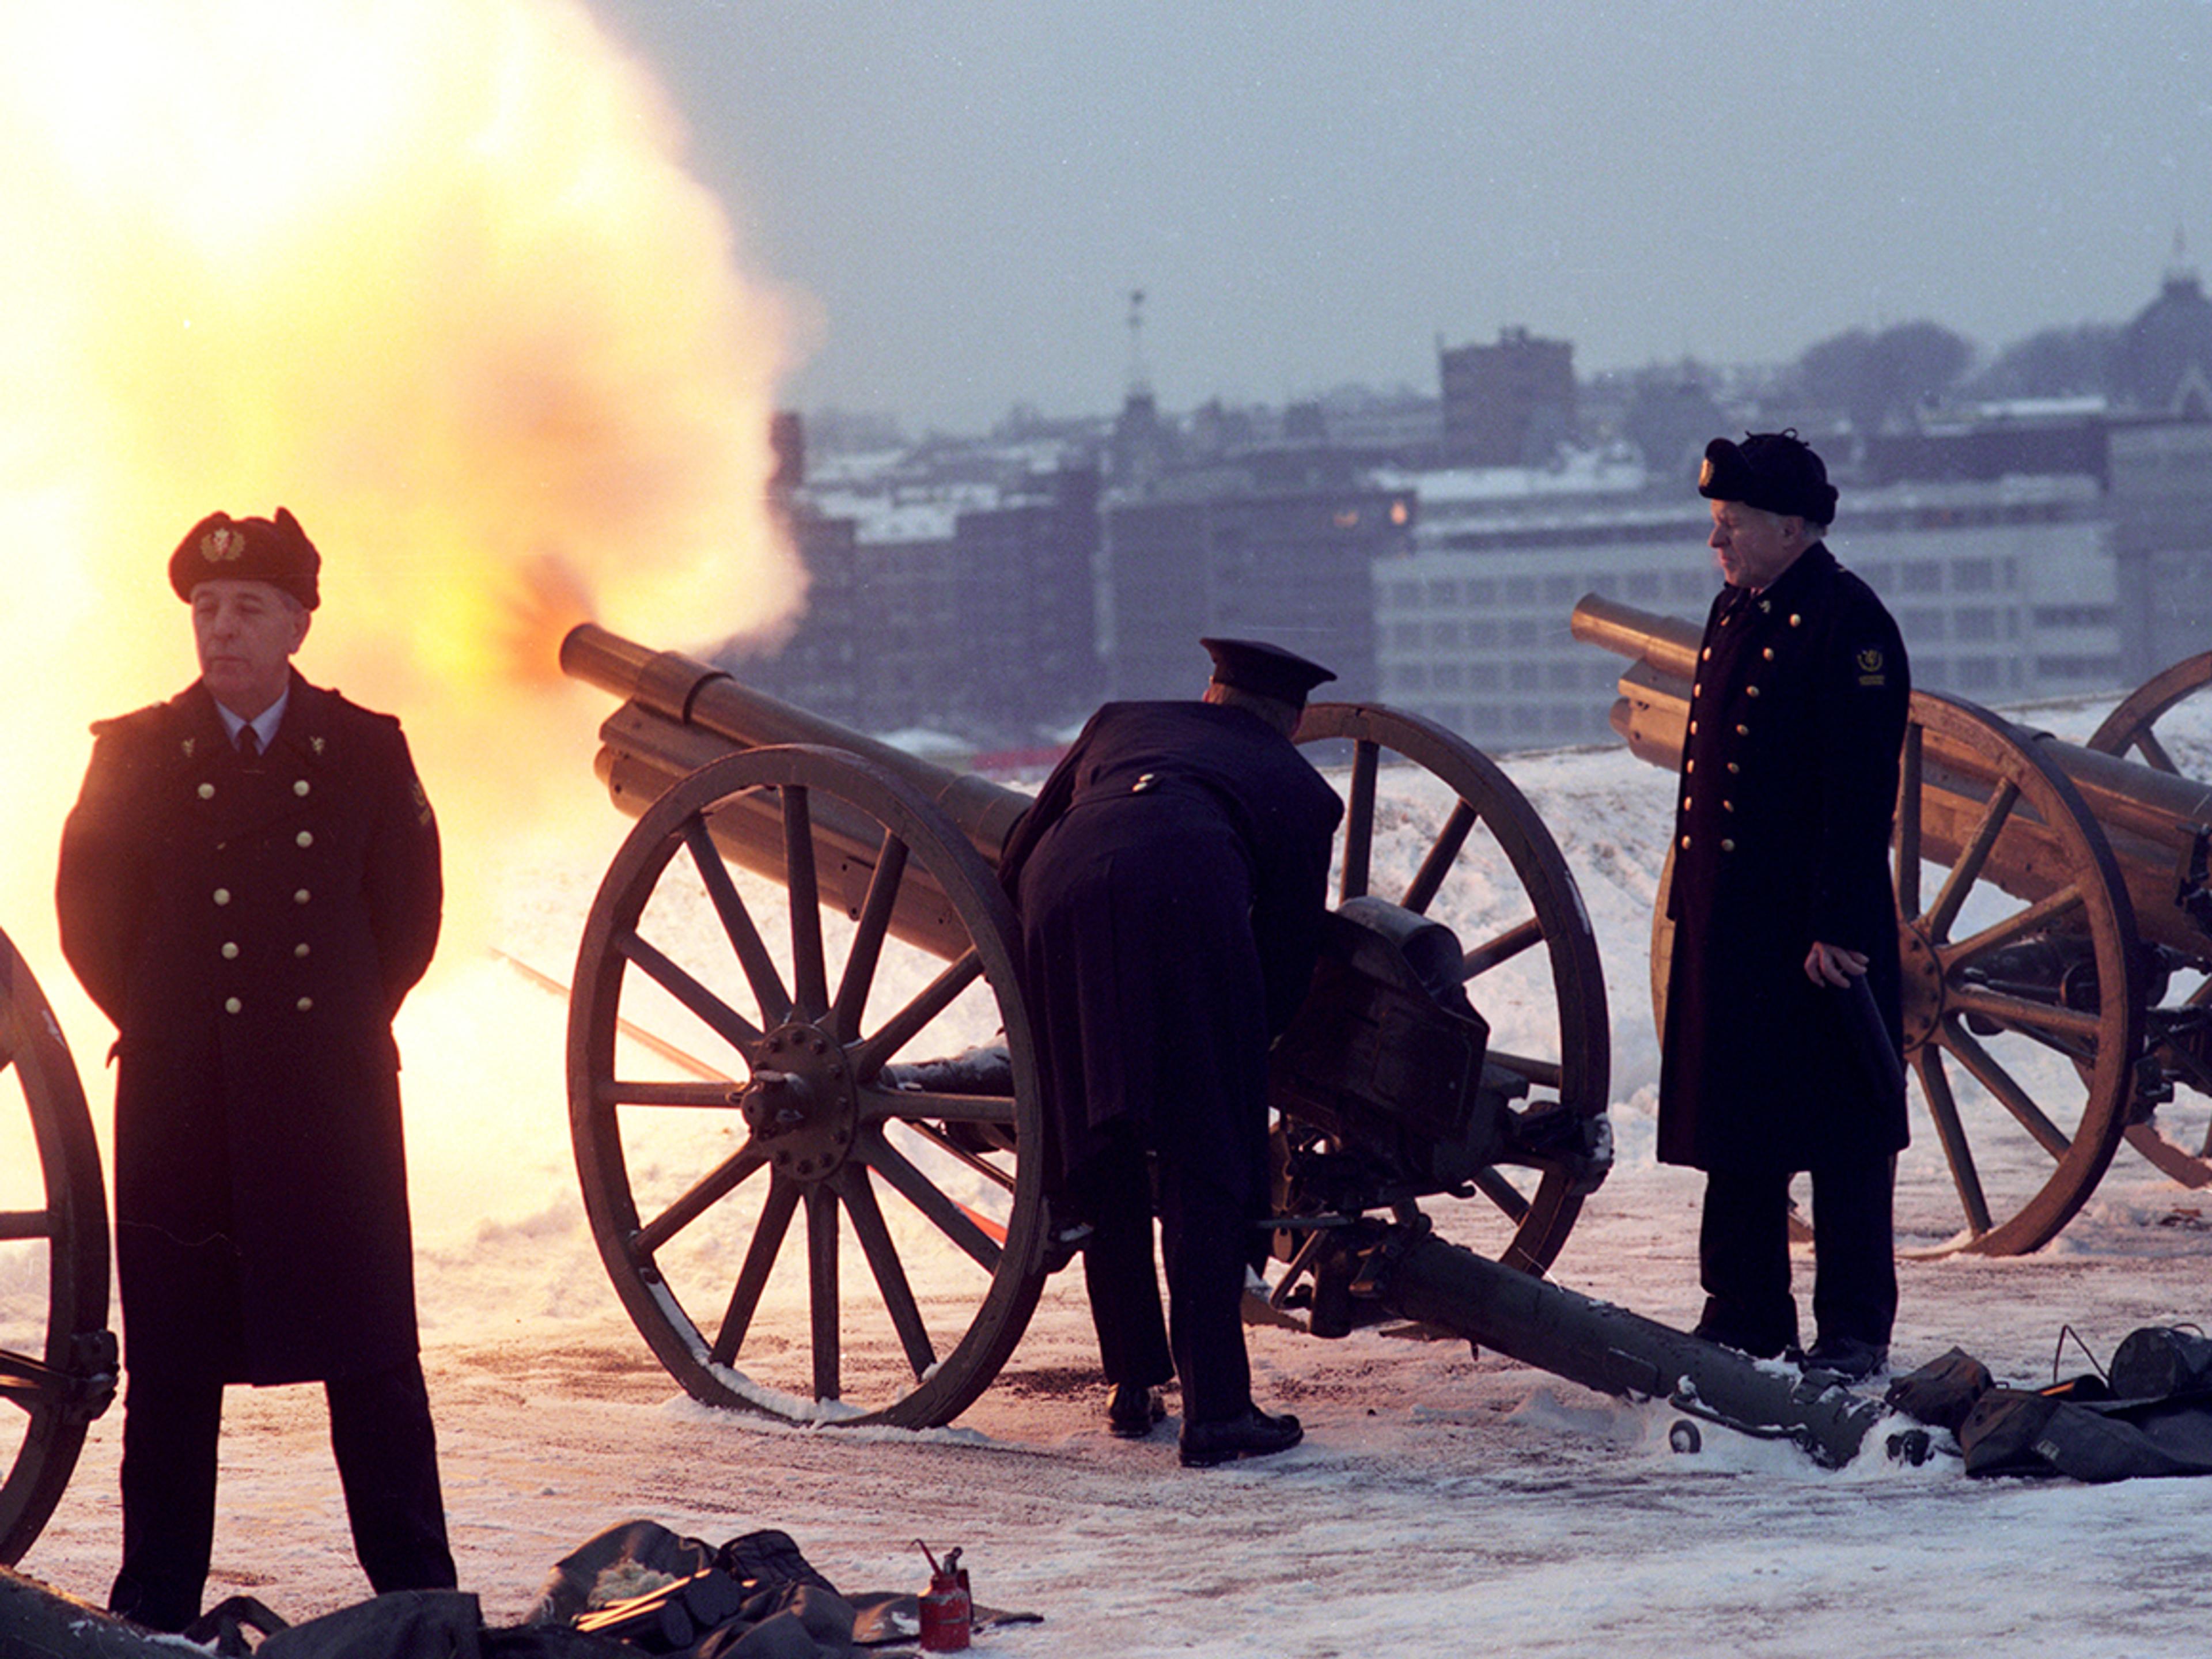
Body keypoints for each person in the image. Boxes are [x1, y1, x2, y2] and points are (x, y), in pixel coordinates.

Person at [56, 507, 456, 1630]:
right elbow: (89, 919)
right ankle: (154, 1612)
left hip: (332, 1103)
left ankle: (421, 1600)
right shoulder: (135, 752)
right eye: (205, 608)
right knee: (175, 1375)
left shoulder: (366, 747)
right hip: (181, 1100)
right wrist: (172, 1022)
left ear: (296, 625)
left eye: (246, 608)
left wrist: (327, 1028)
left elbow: (408, 916)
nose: (221, 628)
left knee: (372, 1359)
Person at [999, 638, 1344, 1467]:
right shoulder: (1303, 789)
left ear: (1210, 694)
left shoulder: (1119, 721)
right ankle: (1217, 1412)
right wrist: (1252, 1045)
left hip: (1061, 891)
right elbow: (1290, 945)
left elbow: (1016, 851)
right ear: (1292, 723)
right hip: (1187, 893)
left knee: (1102, 1141)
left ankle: (1132, 1385)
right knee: (1205, 1159)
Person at [1660, 431, 1912, 1384]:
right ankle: (1746, 1311)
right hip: (1737, 924)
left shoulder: (1851, 625)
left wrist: (1837, 924)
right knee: (1741, 1125)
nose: (1715, 542)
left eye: (1731, 524)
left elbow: (1859, 788)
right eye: (1715, 523)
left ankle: (1852, 1330)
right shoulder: (1738, 607)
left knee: (1845, 1135)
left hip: (1814, 931)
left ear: (1791, 526)